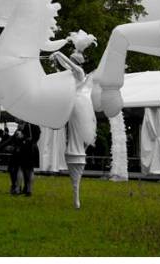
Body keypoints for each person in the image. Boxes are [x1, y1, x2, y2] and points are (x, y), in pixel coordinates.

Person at [51, 51, 97, 209]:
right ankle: (76, 196)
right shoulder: (73, 72)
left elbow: (69, 64)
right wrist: (57, 58)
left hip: (77, 104)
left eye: (72, 60)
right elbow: (66, 65)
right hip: (72, 104)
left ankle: (76, 195)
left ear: (75, 61)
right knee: (72, 133)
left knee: (76, 135)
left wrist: (58, 53)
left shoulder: (79, 71)